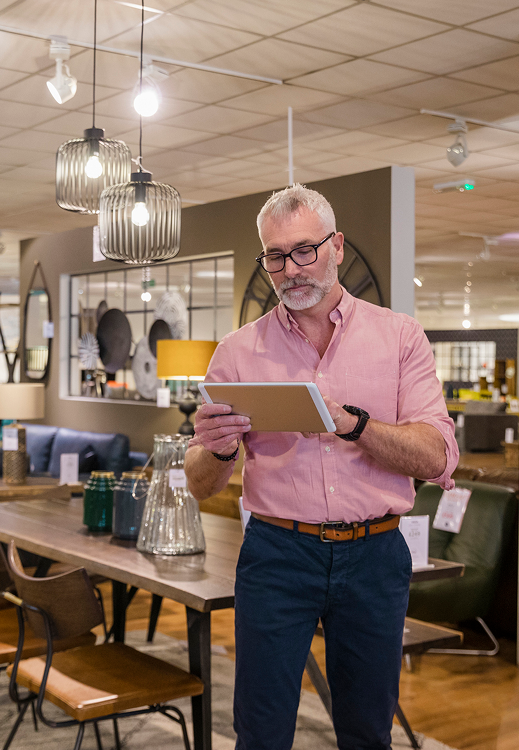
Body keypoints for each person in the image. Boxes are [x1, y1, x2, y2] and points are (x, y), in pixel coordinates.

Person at [184, 184, 459, 750]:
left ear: (336, 246)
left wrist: (350, 423)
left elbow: (436, 456)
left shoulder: (399, 337)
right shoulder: (238, 351)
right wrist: (213, 449)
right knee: (260, 731)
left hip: (375, 554)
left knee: (366, 730)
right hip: (277, 554)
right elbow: (200, 483)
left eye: (305, 250)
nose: (291, 269)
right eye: (276, 256)